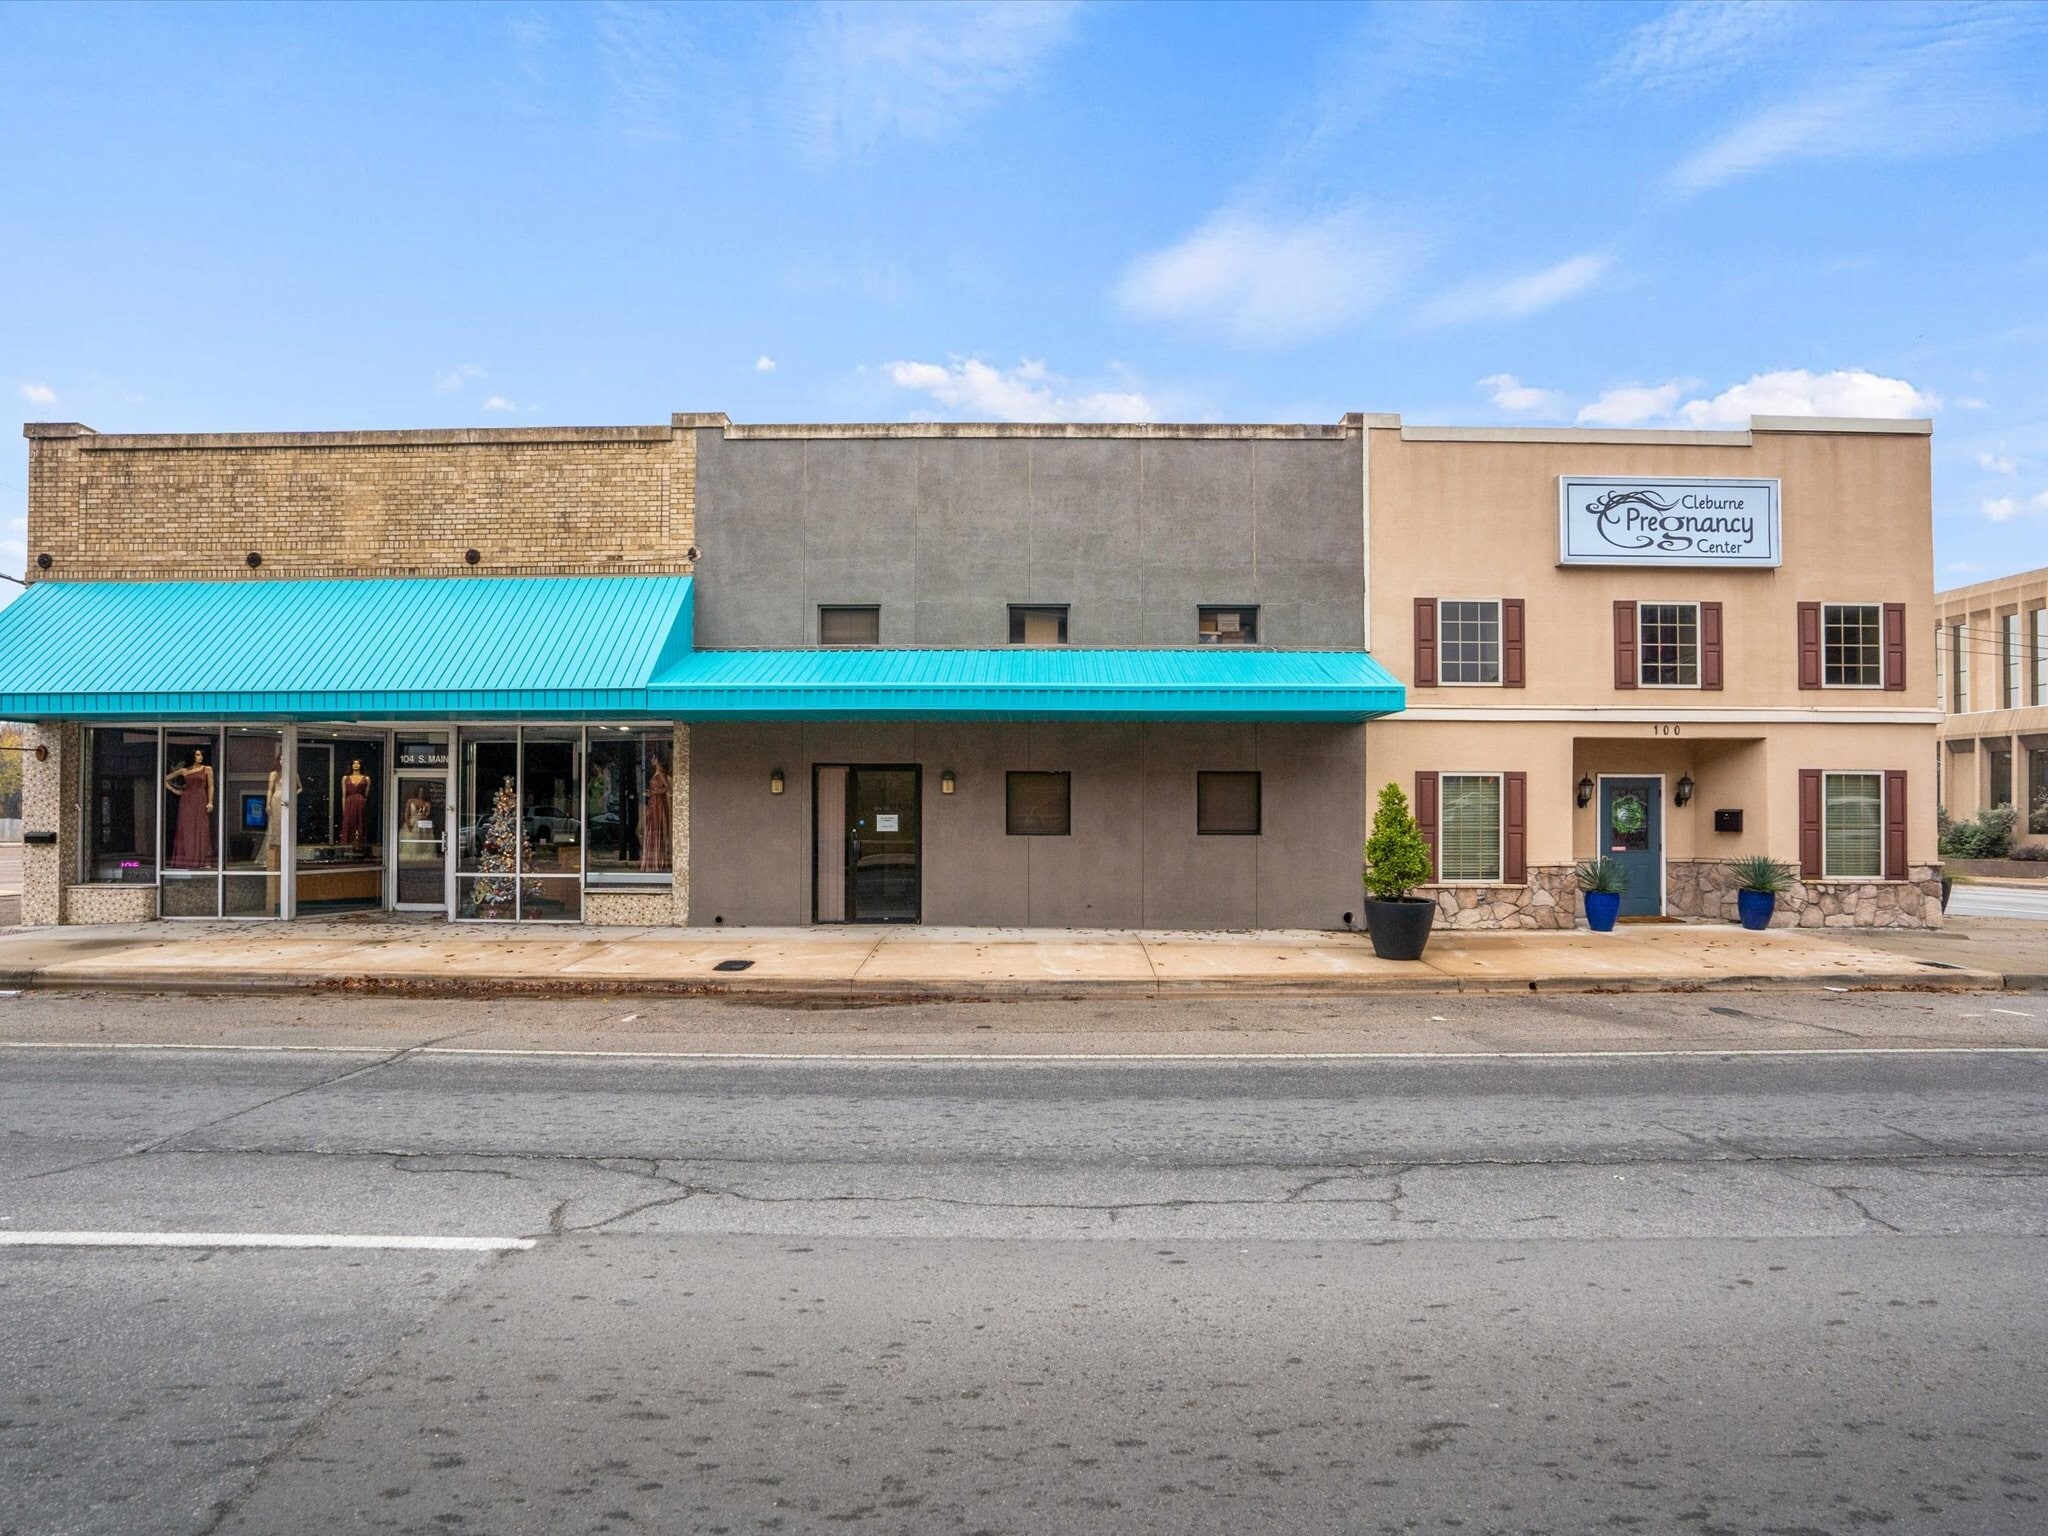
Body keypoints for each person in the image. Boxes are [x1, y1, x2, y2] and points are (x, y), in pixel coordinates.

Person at [165, 746, 215, 870]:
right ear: (192, 756)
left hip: (200, 799)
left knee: (201, 827)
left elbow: (211, 786)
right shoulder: (184, 771)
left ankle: (202, 859)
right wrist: (174, 791)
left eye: (201, 755)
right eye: (198, 755)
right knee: (186, 829)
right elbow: (165, 779)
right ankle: (187, 859)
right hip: (186, 800)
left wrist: (210, 802)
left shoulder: (207, 769)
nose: (200, 757)